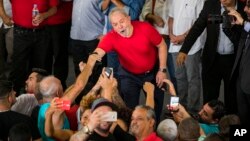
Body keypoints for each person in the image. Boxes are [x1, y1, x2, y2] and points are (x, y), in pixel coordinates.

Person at [92, 7, 168, 122]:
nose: (120, 26)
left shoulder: (145, 28)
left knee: (154, 110)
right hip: (129, 74)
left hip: (152, 71)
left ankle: (151, 133)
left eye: (122, 21)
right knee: (130, 109)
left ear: (128, 18)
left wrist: (162, 70)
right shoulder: (111, 36)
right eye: (115, 24)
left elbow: (162, 45)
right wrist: (89, 63)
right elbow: (97, 53)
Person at [176, 0, 245, 114]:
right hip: (212, 59)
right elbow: (198, 27)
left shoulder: (244, 9)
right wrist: (184, 50)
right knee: (209, 99)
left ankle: (230, 128)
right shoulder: (211, 4)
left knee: (232, 99)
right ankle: (208, 129)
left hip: (234, 61)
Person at [0, 0, 59, 95]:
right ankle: (14, 99)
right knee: (18, 67)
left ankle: (38, 99)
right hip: (20, 32)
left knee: (40, 68)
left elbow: (54, 9)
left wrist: (44, 15)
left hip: (42, 33)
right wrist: (3, 15)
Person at [168, 0, 205, 113]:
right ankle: (180, 109)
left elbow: (199, 23)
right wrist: (171, 35)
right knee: (179, 78)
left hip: (192, 47)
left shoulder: (200, 1)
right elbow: (171, 18)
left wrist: (183, 37)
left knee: (192, 79)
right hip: (175, 45)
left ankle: (193, 111)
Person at [140, 0, 177, 93]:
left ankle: (175, 105)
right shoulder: (153, 1)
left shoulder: (175, 1)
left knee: (175, 75)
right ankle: (156, 104)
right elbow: (143, 14)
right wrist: (153, 17)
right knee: (156, 75)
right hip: (155, 42)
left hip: (172, 40)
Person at [228, 0, 250, 127]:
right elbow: (238, 43)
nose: (245, 9)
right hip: (241, 82)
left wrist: (244, 23)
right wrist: (230, 27)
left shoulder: (247, 24)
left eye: (249, 6)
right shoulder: (246, 26)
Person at [45, 0, 73, 90]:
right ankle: (45, 87)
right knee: (43, 57)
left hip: (61, 20)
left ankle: (59, 88)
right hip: (41, 22)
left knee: (60, 56)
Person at [0, 0, 12, 79]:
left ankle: (10, 78)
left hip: (14, 22)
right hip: (3, 20)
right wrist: (3, 15)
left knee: (13, 52)